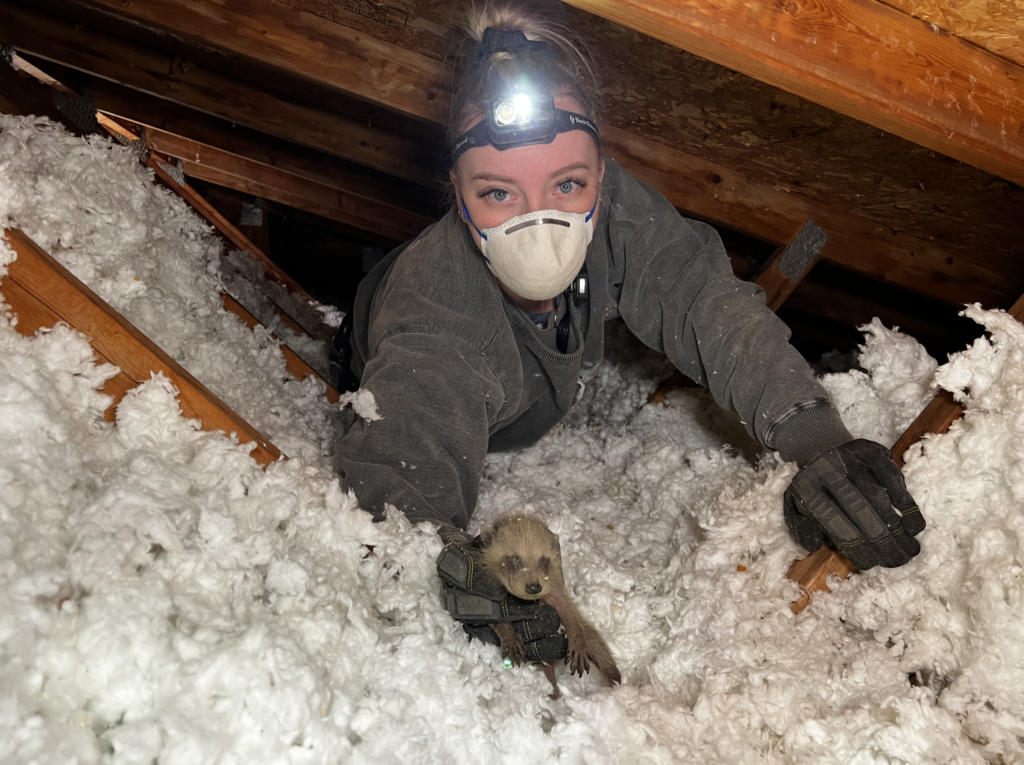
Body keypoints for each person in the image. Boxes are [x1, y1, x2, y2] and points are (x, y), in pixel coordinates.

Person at [335, 0, 925, 662]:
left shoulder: (618, 213)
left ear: (602, 176)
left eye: (567, 183)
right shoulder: (439, 301)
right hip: (375, 326)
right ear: (455, 191)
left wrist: (815, 437)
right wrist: (437, 557)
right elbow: (409, 441)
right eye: (498, 193)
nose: (540, 221)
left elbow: (704, 299)